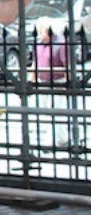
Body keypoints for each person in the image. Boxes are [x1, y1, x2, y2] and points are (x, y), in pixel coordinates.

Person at [29, 16, 70, 149]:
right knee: (47, 112)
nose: (41, 33)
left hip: (57, 81)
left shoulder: (61, 44)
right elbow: (35, 62)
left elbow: (67, 66)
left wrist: (68, 83)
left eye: (43, 30)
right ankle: (62, 138)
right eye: (40, 30)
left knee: (56, 111)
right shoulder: (39, 44)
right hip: (43, 81)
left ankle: (52, 141)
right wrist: (32, 79)